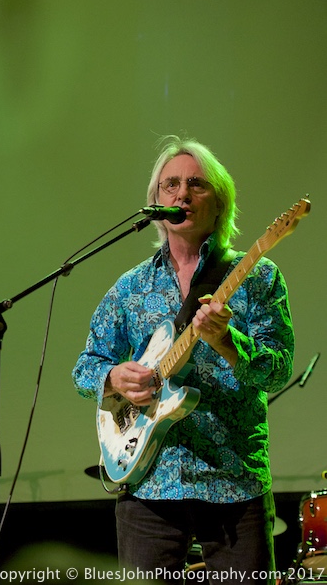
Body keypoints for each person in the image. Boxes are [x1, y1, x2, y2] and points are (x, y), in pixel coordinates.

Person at [72, 136, 294, 584]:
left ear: (220, 201)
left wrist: (229, 342)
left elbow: (278, 369)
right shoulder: (130, 288)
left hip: (234, 480)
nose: (182, 194)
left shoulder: (258, 277)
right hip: (149, 483)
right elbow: (85, 367)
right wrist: (114, 376)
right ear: (156, 202)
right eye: (170, 185)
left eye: (197, 184)